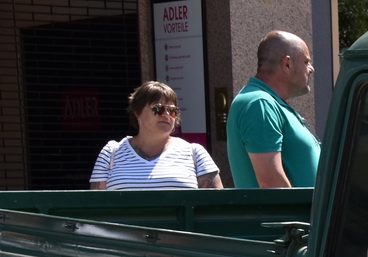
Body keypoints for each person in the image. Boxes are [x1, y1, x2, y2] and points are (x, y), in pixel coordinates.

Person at [227, 31, 320, 188]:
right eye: (306, 62)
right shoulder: (259, 104)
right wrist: (306, 212)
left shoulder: (270, 103)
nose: (311, 69)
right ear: (287, 64)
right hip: (292, 213)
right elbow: (271, 182)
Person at [90, 82, 219, 190]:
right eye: (158, 108)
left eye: (172, 110)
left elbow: (217, 208)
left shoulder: (195, 153)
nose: (166, 114)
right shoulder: (111, 153)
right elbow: (94, 209)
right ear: (137, 112)